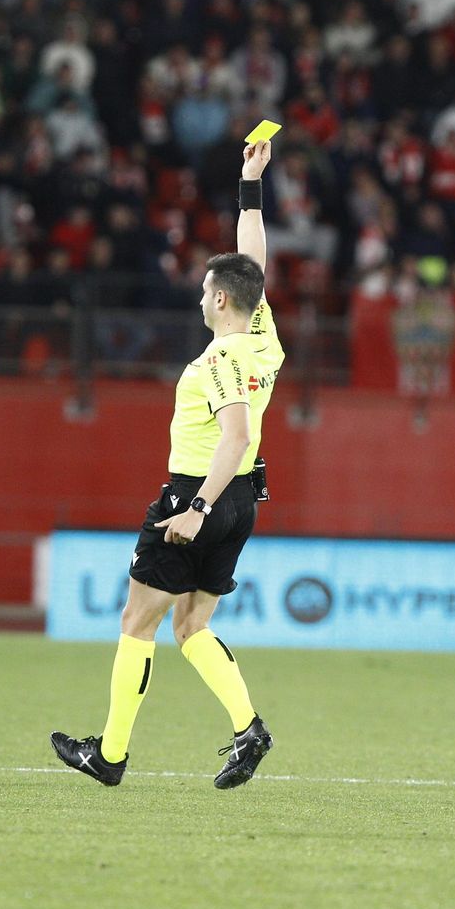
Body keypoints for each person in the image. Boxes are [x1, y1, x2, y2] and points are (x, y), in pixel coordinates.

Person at [51, 139, 283, 790]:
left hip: (200, 494)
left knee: (138, 621)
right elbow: (253, 262)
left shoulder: (218, 364)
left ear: (219, 303)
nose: (203, 293)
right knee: (193, 625)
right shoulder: (261, 340)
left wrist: (194, 510)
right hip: (241, 500)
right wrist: (249, 185)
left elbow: (233, 438)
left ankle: (112, 755)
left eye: (208, 288)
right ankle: (248, 728)